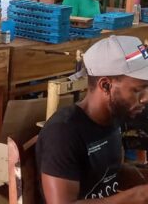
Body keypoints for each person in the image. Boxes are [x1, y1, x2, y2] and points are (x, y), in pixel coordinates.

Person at [37, 35, 148, 202]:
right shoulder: (63, 133)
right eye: (138, 90)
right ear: (105, 85)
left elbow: (108, 172)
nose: (146, 98)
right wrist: (138, 195)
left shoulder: (115, 115)